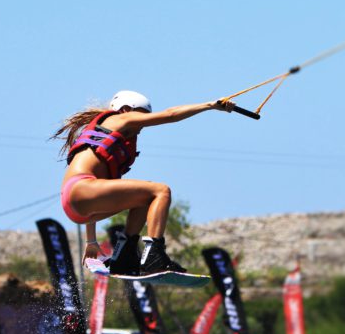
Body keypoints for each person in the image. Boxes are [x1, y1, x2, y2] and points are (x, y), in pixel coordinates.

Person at [53, 90, 235, 275]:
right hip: (80, 188)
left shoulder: (112, 138)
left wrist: (91, 241)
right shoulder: (119, 119)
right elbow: (170, 114)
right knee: (161, 191)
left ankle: (124, 258)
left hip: (78, 205)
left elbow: (93, 197)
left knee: (144, 199)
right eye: (143, 115)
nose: (144, 123)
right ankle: (154, 256)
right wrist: (210, 105)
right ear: (125, 110)